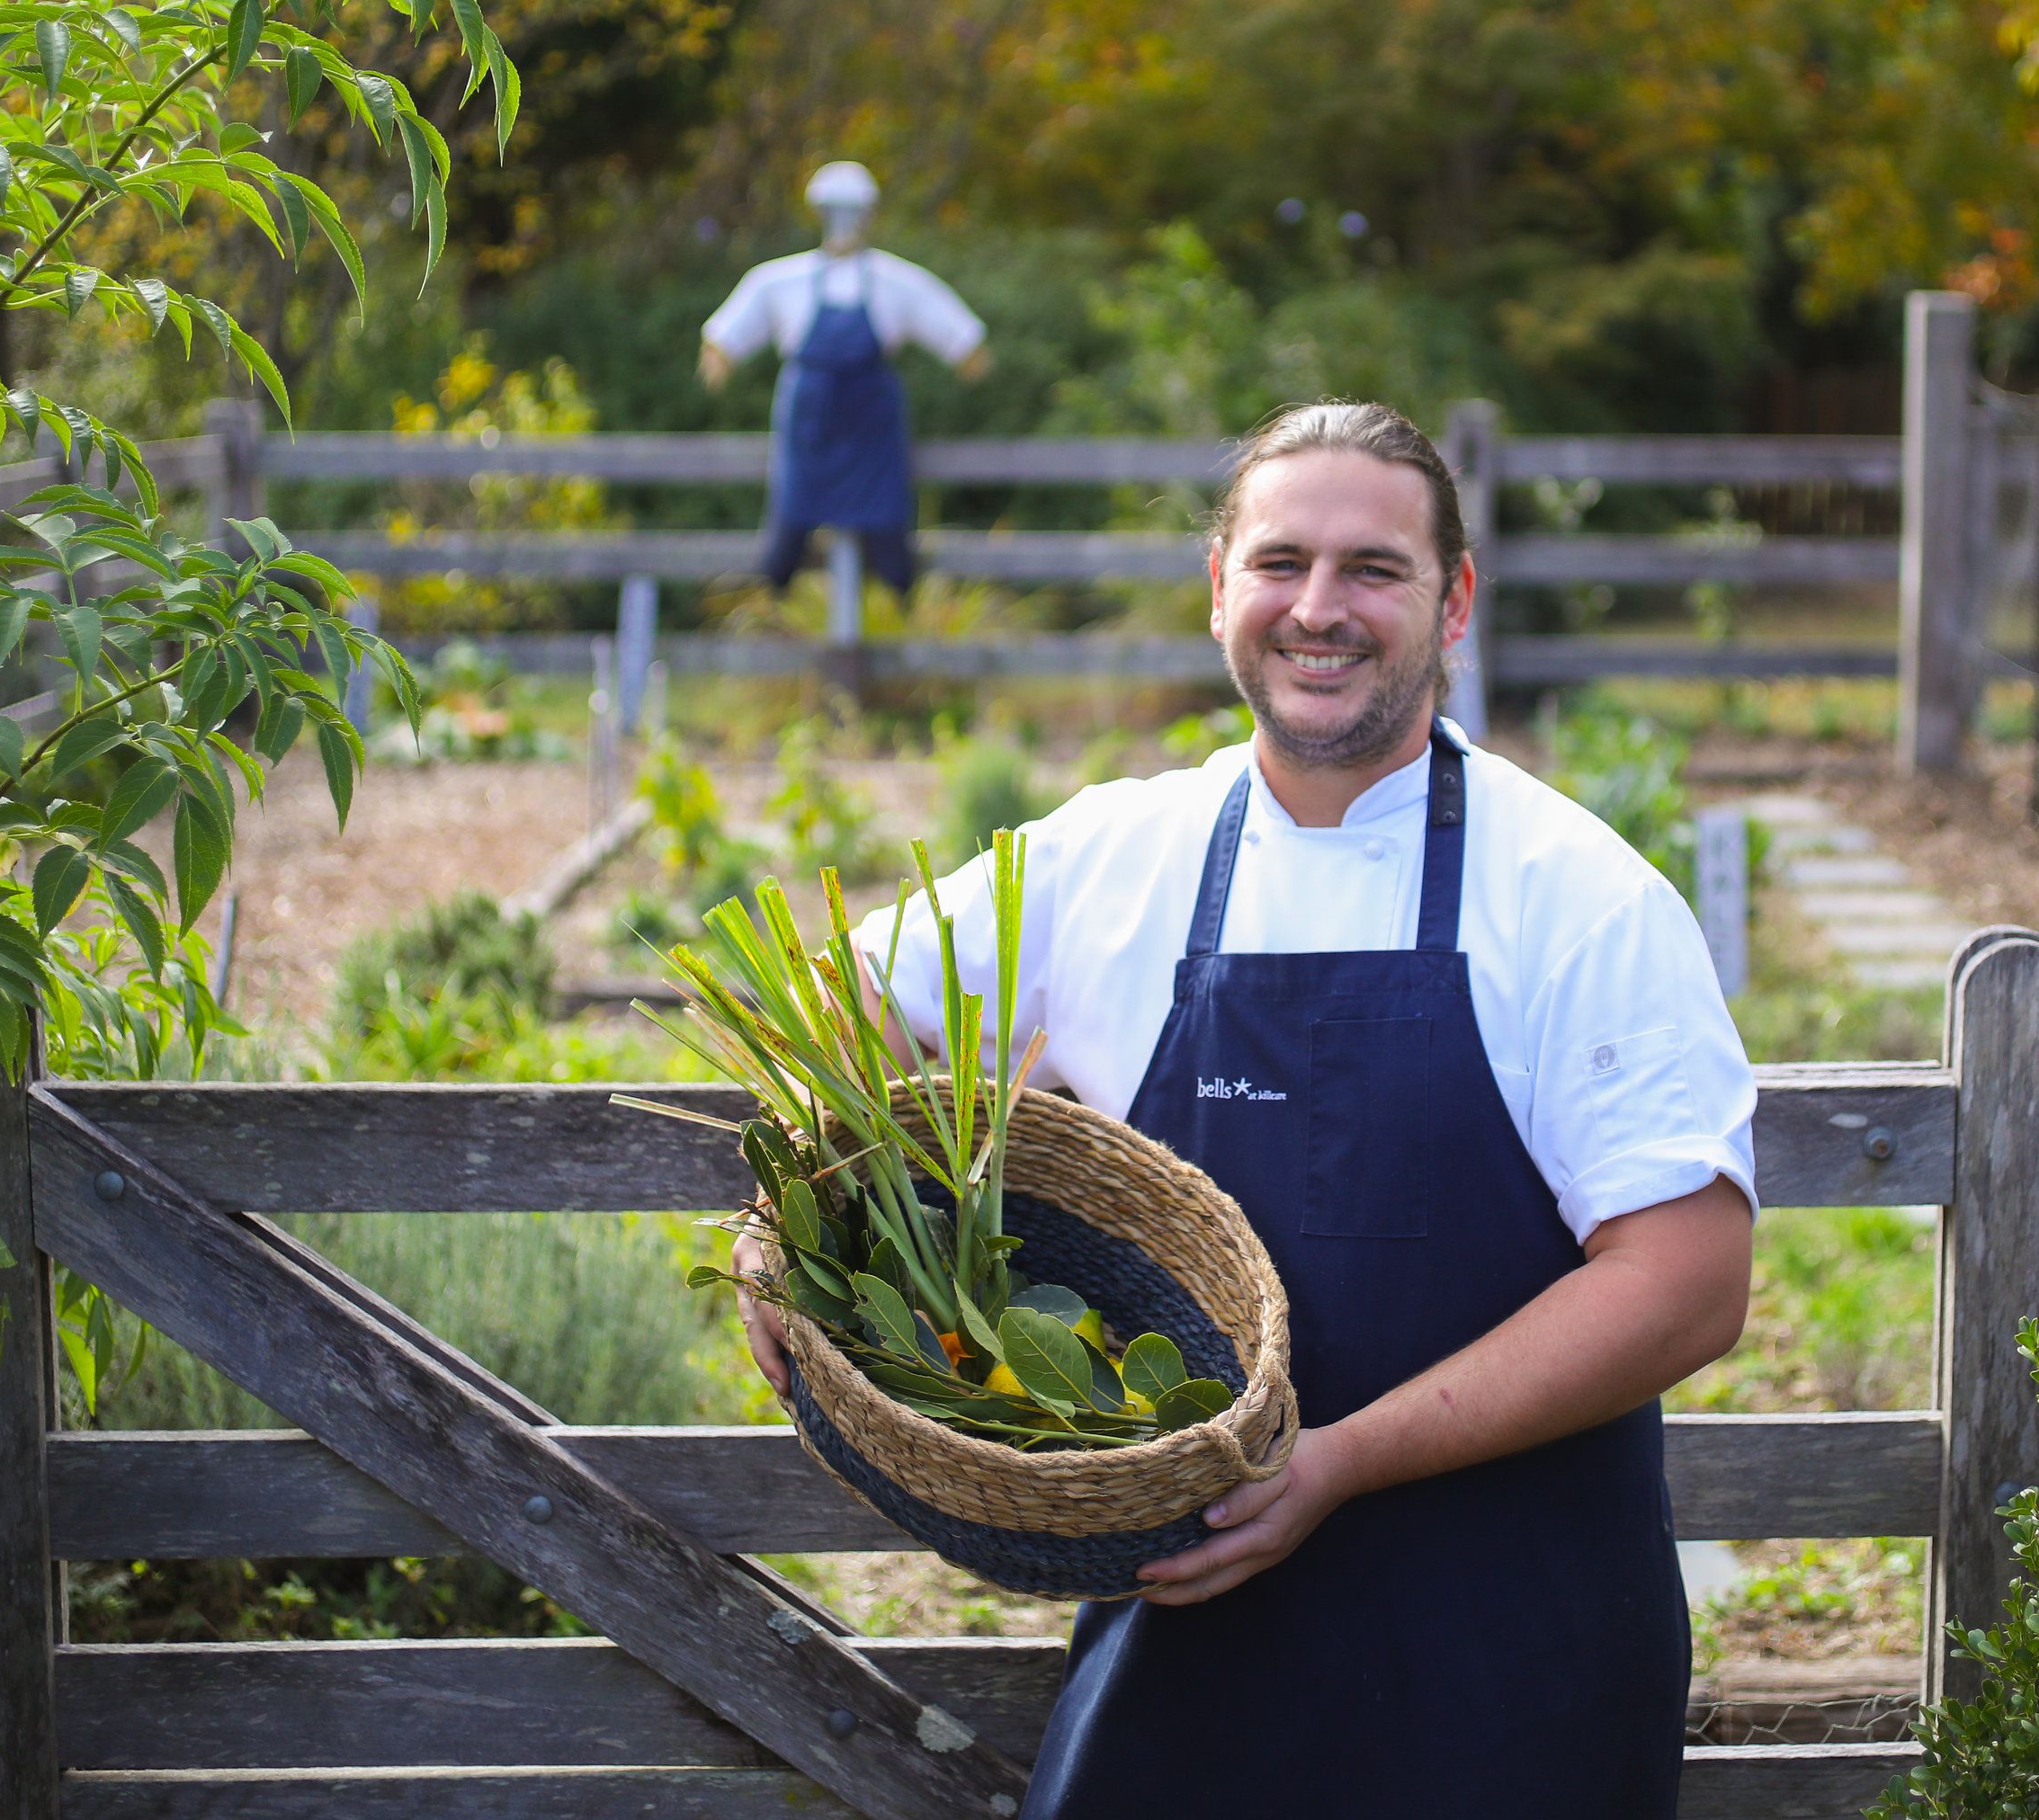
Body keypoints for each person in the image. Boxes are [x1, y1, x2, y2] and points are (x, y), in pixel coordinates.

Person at [741, 401, 1759, 1818]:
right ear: (1218, 586)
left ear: (1453, 601)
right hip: (1191, 1660)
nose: (1319, 610)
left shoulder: (1576, 897)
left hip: (1514, 1663)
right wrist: (801, 1231)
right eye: (1281, 564)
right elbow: (842, 1014)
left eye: (1375, 571)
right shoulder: (1114, 857)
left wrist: (1337, 1464)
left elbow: (1688, 1285)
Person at [698, 161, 988, 597]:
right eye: (835, 209)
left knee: (890, 542)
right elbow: (721, 344)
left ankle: (898, 613)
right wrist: (715, 382)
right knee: (787, 535)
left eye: (852, 209)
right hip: (809, 424)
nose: (844, 219)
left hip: (872, 424)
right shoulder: (779, 280)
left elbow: (968, 349)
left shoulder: (898, 281)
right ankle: (777, 610)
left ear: (868, 213)